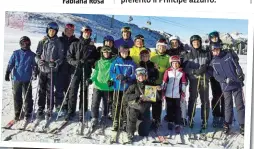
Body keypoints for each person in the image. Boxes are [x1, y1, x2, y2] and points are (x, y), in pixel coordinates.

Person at [209, 42, 245, 135]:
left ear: (220, 49)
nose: (215, 52)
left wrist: (240, 74)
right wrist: (224, 80)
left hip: (236, 83)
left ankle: (242, 124)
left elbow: (237, 66)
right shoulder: (213, 62)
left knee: (239, 104)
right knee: (228, 105)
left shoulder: (228, 56)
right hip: (226, 86)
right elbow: (216, 76)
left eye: (216, 50)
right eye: (213, 51)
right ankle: (227, 124)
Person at [65, 25, 97, 122]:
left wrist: (87, 62)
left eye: (88, 33)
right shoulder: (75, 44)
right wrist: (76, 62)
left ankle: (82, 111)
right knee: (72, 91)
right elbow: (69, 57)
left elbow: (95, 59)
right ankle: (71, 112)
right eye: (85, 32)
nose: (86, 34)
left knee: (84, 91)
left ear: (90, 34)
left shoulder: (92, 47)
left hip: (86, 71)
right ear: (82, 33)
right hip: (75, 71)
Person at [124, 67, 161, 143]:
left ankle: (143, 123)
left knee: (144, 133)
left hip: (144, 109)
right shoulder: (133, 85)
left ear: (146, 76)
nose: (141, 77)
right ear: (137, 76)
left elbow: (157, 99)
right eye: (139, 76)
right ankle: (130, 133)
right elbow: (126, 97)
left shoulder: (150, 85)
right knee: (132, 114)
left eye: (142, 75)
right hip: (134, 108)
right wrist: (137, 96)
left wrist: (158, 91)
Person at [35, 22, 64, 119]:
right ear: (47, 30)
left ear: (56, 32)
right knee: (41, 90)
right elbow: (37, 54)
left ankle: (49, 109)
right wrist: (39, 60)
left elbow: (61, 57)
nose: (52, 32)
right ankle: (40, 108)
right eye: (50, 30)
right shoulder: (42, 41)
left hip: (52, 71)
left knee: (49, 91)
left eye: (54, 31)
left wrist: (55, 63)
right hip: (42, 69)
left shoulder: (58, 43)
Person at [183, 35, 212, 129]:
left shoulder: (206, 53)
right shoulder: (188, 55)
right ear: (191, 43)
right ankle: (190, 118)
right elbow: (185, 68)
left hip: (204, 80)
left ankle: (205, 120)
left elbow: (211, 67)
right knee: (192, 100)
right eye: (194, 42)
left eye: (198, 42)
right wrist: (194, 72)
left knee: (205, 100)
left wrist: (206, 73)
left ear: (200, 42)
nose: (196, 43)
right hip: (193, 80)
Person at [5, 36, 37, 121]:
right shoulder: (16, 53)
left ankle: (28, 112)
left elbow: (35, 65)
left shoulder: (32, 55)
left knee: (27, 97)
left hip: (27, 79)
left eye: (27, 43)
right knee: (17, 96)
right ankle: (18, 112)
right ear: (20, 44)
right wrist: (7, 72)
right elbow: (10, 63)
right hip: (17, 78)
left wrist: (35, 72)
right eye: (23, 43)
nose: (25, 45)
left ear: (29, 44)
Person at [86, 46, 116, 127]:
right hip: (97, 86)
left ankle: (104, 116)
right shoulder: (98, 62)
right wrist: (91, 80)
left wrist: (112, 80)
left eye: (108, 52)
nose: (106, 54)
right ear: (102, 53)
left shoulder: (113, 62)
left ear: (110, 53)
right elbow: (95, 74)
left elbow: (114, 74)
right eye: (104, 52)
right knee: (95, 103)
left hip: (108, 87)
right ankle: (94, 117)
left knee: (106, 103)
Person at [109, 44, 137, 131]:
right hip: (117, 86)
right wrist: (117, 76)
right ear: (120, 52)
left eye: (126, 51)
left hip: (127, 88)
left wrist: (128, 78)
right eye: (122, 52)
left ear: (128, 52)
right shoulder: (116, 61)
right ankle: (116, 120)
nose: (124, 53)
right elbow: (111, 72)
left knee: (125, 105)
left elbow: (135, 74)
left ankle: (125, 121)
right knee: (116, 104)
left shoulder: (132, 62)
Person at [56, 23, 79, 116]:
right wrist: (45, 39)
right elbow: (51, 41)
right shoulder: (59, 40)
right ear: (64, 31)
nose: (69, 32)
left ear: (73, 32)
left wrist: (91, 43)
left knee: (70, 90)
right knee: (59, 89)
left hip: (72, 69)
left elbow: (84, 43)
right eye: (67, 30)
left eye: (71, 30)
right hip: (61, 68)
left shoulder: (76, 41)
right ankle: (59, 107)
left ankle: (67, 107)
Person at [162, 55, 187, 133]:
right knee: (169, 108)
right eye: (173, 63)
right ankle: (170, 121)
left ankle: (178, 123)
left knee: (177, 109)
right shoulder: (168, 71)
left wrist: (183, 93)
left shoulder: (181, 72)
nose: (175, 65)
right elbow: (164, 82)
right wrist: (163, 92)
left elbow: (183, 83)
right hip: (168, 94)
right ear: (171, 64)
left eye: (177, 63)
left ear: (179, 64)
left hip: (177, 94)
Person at [150, 38, 170, 130]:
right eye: (159, 46)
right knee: (148, 101)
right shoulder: (152, 56)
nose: (161, 48)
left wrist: (159, 68)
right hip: (151, 83)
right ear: (157, 47)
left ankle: (156, 120)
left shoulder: (168, 58)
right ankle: (148, 119)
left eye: (163, 47)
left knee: (158, 103)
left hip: (161, 84)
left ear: (166, 48)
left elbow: (169, 70)